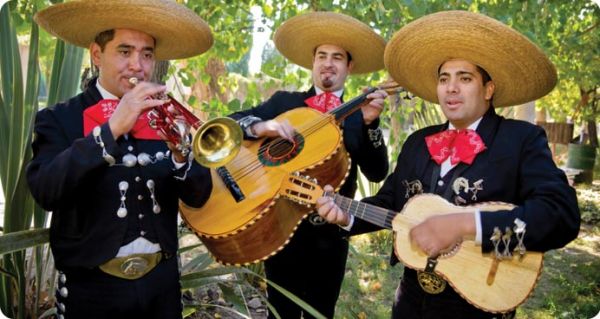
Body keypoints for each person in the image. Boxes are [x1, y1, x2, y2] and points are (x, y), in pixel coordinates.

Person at [316, 10, 580, 319]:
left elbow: (560, 217)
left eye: (464, 78)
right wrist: (344, 215)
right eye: (444, 79)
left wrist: (467, 225)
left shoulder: (521, 139)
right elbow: (389, 203)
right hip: (410, 302)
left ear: (488, 89)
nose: (450, 88)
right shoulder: (417, 142)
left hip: (480, 303)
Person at [26, 1, 214, 318]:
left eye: (147, 54)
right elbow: (45, 190)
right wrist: (111, 130)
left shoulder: (166, 119)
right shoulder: (59, 119)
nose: (137, 65)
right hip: (92, 292)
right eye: (124, 52)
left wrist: (182, 157)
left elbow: (199, 196)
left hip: (162, 286)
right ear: (96, 55)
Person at [229, 12, 390, 319]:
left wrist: (370, 124)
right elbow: (233, 124)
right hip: (279, 228)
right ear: (313, 62)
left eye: (337, 57)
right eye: (321, 56)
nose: (328, 63)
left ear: (349, 67)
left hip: (329, 235)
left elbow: (377, 173)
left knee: (320, 313)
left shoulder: (360, 113)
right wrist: (262, 126)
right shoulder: (284, 103)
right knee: (280, 312)